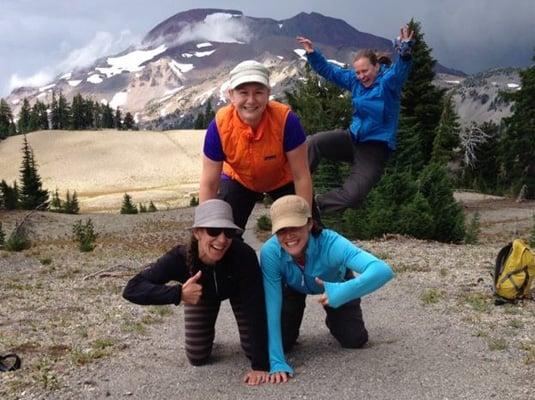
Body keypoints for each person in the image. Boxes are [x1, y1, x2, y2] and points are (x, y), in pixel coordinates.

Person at [122, 199, 269, 385]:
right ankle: (207, 337)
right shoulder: (179, 257)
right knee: (197, 356)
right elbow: (132, 289)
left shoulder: (244, 255)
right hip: (200, 296)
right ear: (197, 232)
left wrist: (260, 365)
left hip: (238, 293)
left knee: (252, 350)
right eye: (213, 231)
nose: (222, 239)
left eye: (229, 232)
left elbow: (255, 308)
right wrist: (178, 294)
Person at [259, 195, 394, 383]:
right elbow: (271, 305)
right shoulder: (269, 252)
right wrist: (276, 361)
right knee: (283, 343)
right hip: (293, 288)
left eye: (295, 226)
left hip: (336, 284)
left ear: (309, 223)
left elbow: (382, 270)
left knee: (354, 340)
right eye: (282, 230)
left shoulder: (332, 243)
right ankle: (294, 320)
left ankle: (335, 318)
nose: (288, 235)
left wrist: (343, 291)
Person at [296, 26, 415, 214]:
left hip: (374, 149)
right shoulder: (355, 81)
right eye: (358, 72)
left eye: (365, 71)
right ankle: (291, 187)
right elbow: (331, 72)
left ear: (376, 66)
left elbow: (401, 70)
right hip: (352, 138)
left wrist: (405, 51)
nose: (361, 76)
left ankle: (315, 207)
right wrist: (312, 54)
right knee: (314, 143)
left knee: (353, 196)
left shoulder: (388, 83)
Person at [199, 59, 313, 230]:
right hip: (239, 180)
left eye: (258, 92)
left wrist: (306, 218)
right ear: (231, 95)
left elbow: (301, 175)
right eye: (243, 93)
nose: (251, 100)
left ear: (268, 93)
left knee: (309, 230)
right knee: (221, 233)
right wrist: (205, 226)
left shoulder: (286, 121)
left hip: (282, 179)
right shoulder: (219, 126)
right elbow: (209, 184)